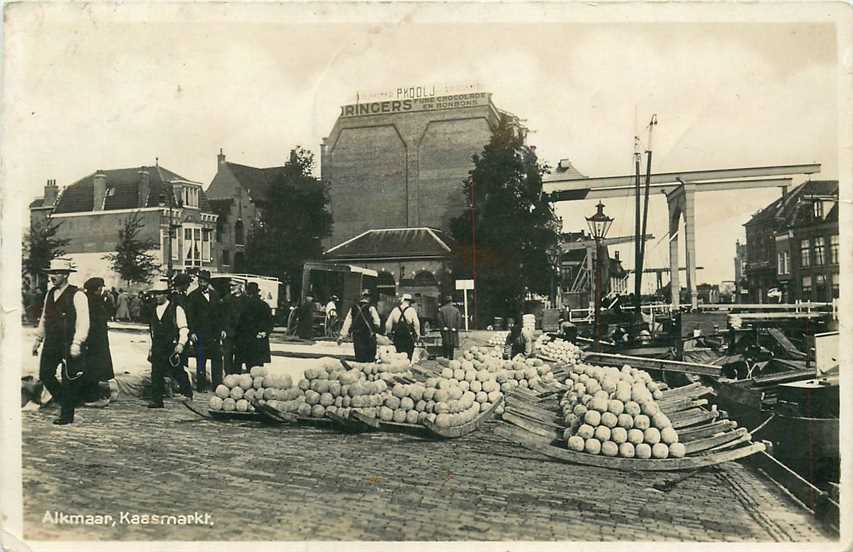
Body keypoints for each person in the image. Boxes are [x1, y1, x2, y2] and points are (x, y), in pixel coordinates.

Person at [31, 258, 90, 425]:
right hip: (51, 342)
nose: (52, 276)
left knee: (68, 379)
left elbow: (83, 322)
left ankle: (66, 415)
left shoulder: (78, 294)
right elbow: (44, 318)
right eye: (51, 273)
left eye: (56, 273)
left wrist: (77, 343)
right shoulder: (49, 294)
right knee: (45, 374)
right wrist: (38, 339)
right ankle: (67, 401)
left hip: (68, 342)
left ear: (65, 275)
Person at [146, 278, 193, 408]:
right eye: (155, 294)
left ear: (166, 294)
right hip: (157, 345)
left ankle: (187, 392)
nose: (156, 296)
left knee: (176, 370)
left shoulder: (175, 309)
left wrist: (181, 344)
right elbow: (152, 330)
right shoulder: (153, 310)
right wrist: (151, 347)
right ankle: (157, 400)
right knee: (156, 372)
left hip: (171, 345)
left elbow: (183, 327)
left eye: (159, 293)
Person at [185, 269, 222, 391]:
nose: (202, 283)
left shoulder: (215, 295)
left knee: (217, 360)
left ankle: (217, 385)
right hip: (200, 334)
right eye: (200, 281)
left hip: (214, 335)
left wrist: (221, 329)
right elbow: (189, 316)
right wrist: (192, 332)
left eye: (204, 281)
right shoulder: (192, 296)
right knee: (201, 360)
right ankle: (201, 386)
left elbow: (219, 315)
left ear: (208, 282)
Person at [82, 277, 115, 407]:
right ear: (96, 289)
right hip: (94, 341)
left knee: (94, 368)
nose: (102, 289)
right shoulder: (92, 302)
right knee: (93, 369)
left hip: (97, 340)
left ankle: (93, 395)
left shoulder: (94, 300)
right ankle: (92, 396)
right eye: (101, 287)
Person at [338, 289, 380, 362]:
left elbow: (347, 322)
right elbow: (377, 322)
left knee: (359, 357)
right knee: (369, 358)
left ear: (361, 297)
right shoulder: (371, 308)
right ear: (369, 298)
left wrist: (342, 336)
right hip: (368, 335)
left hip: (357, 335)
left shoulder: (353, 308)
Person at [238, 282, 273, 370]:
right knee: (259, 368)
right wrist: (265, 332)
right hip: (261, 339)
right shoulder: (265, 305)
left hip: (248, 340)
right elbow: (270, 322)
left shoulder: (244, 305)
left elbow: (242, 324)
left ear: (248, 293)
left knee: (249, 366)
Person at [220, 277, 247, 375]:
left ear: (240, 286)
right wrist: (222, 329)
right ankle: (228, 376)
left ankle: (237, 376)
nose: (231, 287)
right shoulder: (226, 299)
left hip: (241, 332)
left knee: (239, 356)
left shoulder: (246, 300)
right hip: (228, 331)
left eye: (233, 285)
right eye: (230, 285)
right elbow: (221, 315)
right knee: (227, 355)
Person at [384, 293, 421, 360]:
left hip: (397, 335)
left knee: (398, 355)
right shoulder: (411, 310)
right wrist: (418, 334)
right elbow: (416, 324)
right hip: (408, 336)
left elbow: (388, 324)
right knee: (408, 355)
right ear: (409, 302)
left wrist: (388, 333)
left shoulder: (395, 310)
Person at [437, 295, 463, 360]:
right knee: (452, 344)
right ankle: (451, 358)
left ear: (445, 302)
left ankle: (445, 358)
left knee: (445, 343)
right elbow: (459, 319)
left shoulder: (441, 309)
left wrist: (443, 327)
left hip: (445, 330)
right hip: (453, 330)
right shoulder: (456, 310)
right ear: (451, 301)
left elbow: (439, 320)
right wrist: (456, 328)